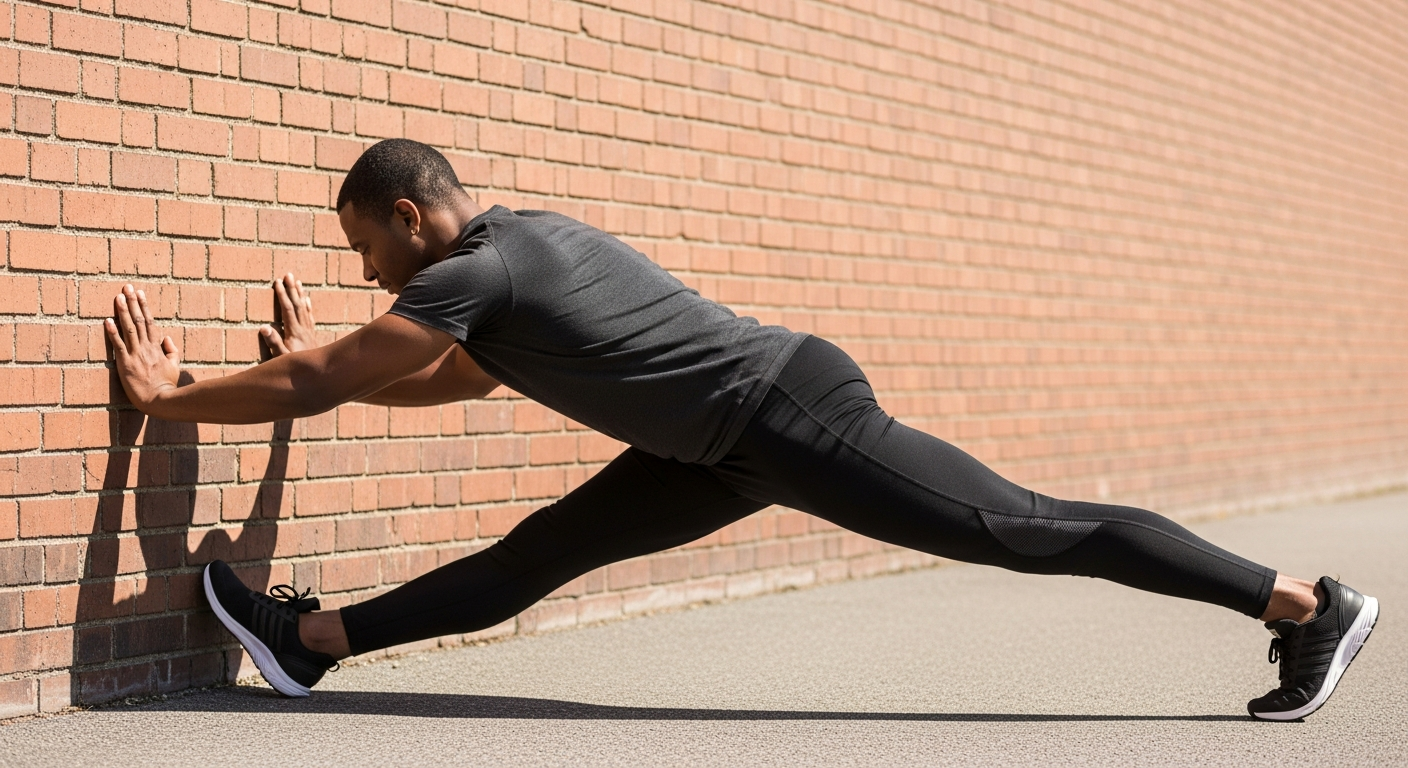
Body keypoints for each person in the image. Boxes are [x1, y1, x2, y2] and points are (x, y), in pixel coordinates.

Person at [103, 139, 1377, 721]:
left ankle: (1302, 608)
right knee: (541, 553)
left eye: (363, 248)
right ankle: (309, 643)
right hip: (717, 439)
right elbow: (447, 384)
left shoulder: (472, 274)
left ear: (408, 215)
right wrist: (313, 372)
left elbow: (334, 377)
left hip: (786, 410)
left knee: (1023, 530)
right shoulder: (518, 248)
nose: (368, 273)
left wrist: (178, 395)